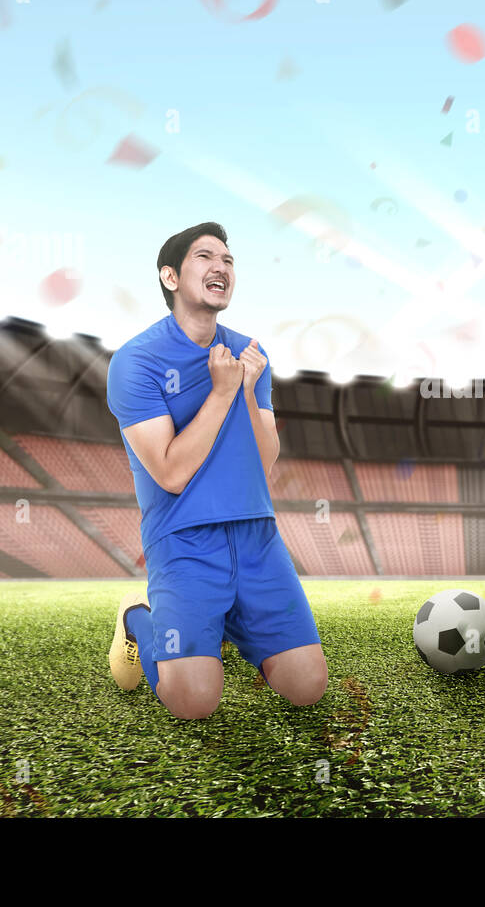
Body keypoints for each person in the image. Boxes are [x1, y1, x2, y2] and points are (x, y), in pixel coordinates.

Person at [104, 221, 326, 718]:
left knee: (307, 685)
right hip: (184, 539)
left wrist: (245, 390)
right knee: (193, 701)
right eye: (205, 257)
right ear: (170, 277)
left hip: (255, 534)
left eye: (228, 259)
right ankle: (138, 619)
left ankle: (223, 625)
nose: (221, 266)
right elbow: (169, 472)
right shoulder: (135, 361)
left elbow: (265, 460)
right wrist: (222, 392)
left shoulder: (251, 352)